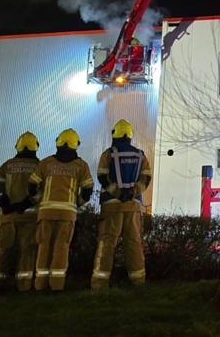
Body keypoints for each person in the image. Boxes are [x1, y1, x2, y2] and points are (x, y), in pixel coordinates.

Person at [27, 128, 94, 291]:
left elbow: (32, 185)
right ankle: (57, 285)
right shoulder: (81, 165)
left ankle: (40, 284)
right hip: (67, 214)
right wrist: (76, 204)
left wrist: (39, 200)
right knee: (61, 247)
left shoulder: (46, 162)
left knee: (44, 247)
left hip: (45, 212)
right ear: (76, 144)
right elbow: (87, 190)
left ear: (58, 142)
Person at [91, 119, 153, 289]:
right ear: (130, 136)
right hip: (133, 205)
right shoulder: (140, 155)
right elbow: (146, 178)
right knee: (134, 243)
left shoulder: (109, 153)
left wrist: (117, 192)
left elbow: (102, 176)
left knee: (107, 243)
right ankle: (138, 281)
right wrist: (132, 192)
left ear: (114, 135)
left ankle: (100, 283)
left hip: (111, 205)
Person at [0, 131, 41, 293]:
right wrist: (25, 203)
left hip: (7, 217)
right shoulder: (40, 166)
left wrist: (5, 205)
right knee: (27, 251)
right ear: (35, 147)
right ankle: (24, 286)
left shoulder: (7, 165)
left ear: (17, 146)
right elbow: (41, 191)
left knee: (3, 250)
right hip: (30, 217)